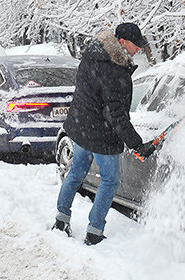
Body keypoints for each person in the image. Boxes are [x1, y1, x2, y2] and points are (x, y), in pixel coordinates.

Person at [53, 22, 156, 245]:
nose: (138, 49)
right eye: (135, 45)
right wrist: (137, 145)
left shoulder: (92, 55)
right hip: (100, 133)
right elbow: (116, 114)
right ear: (122, 42)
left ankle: (61, 220)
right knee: (110, 180)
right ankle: (94, 232)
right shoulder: (114, 69)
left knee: (76, 172)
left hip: (81, 127)